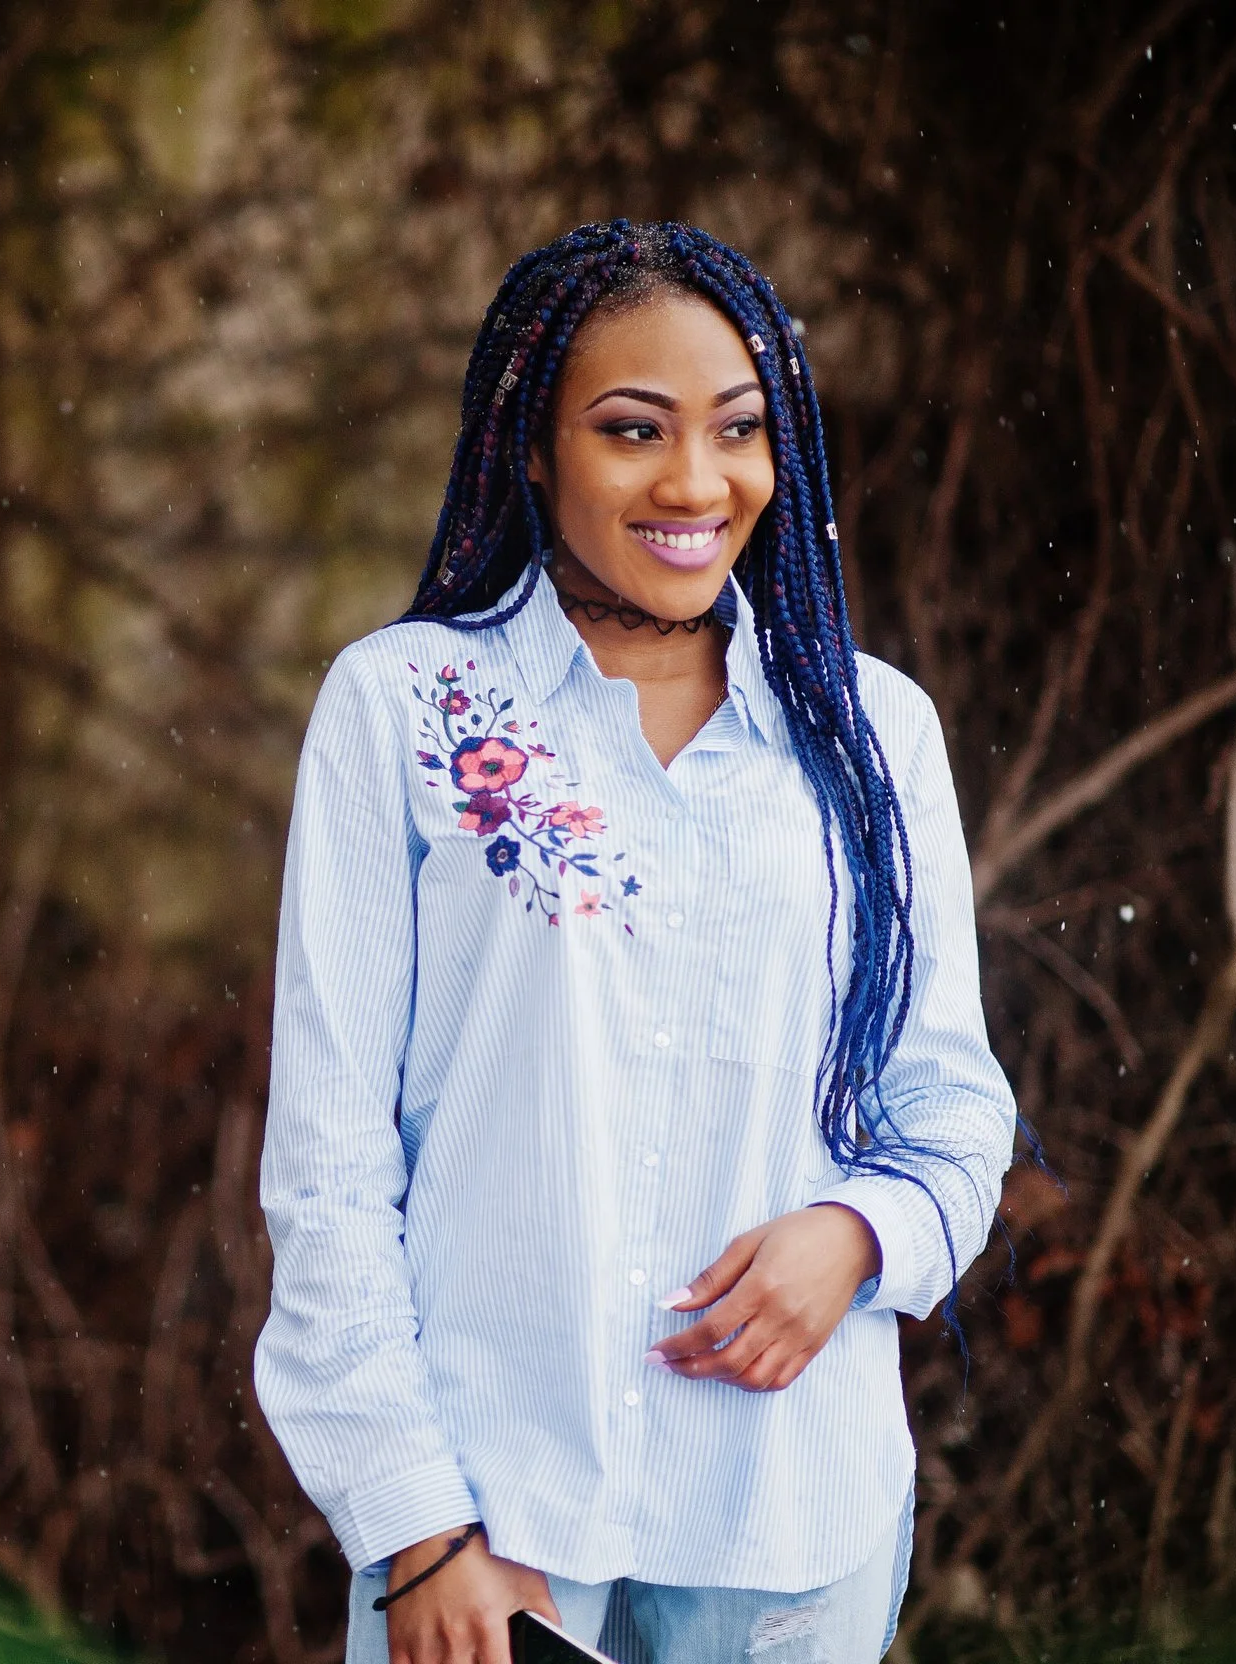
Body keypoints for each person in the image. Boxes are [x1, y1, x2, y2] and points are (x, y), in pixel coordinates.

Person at [253, 221, 1016, 1664]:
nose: (694, 483)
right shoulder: (404, 710)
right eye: (631, 431)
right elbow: (332, 1155)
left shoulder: (871, 735)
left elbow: (955, 1107)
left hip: (789, 1526)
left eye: (739, 431)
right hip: (493, 1528)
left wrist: (860, 1237)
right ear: (530, 449)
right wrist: (418, 1527)